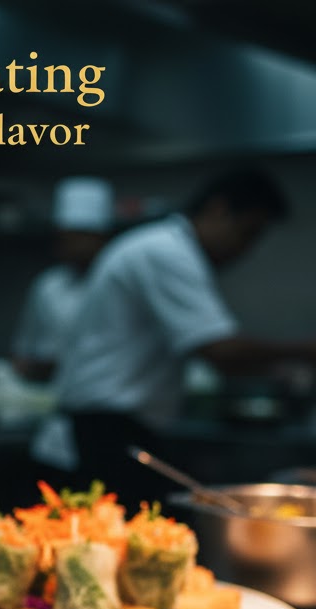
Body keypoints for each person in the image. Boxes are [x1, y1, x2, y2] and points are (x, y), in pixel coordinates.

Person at [44, 165, 316, 507]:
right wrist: (306, 352)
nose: (246, 249)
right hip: (106, 430)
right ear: (218, 209)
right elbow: (221, 351)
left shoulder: (165, 247)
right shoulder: (165, 251)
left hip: (119, 428)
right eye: (247, 233)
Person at [11, 176, 115, 383]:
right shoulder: (48, 285)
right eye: (64, 238)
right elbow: (24, 351)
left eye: (78, 237)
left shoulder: (117, 282)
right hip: (50, 392)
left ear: (100, 238)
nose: (69, 245)